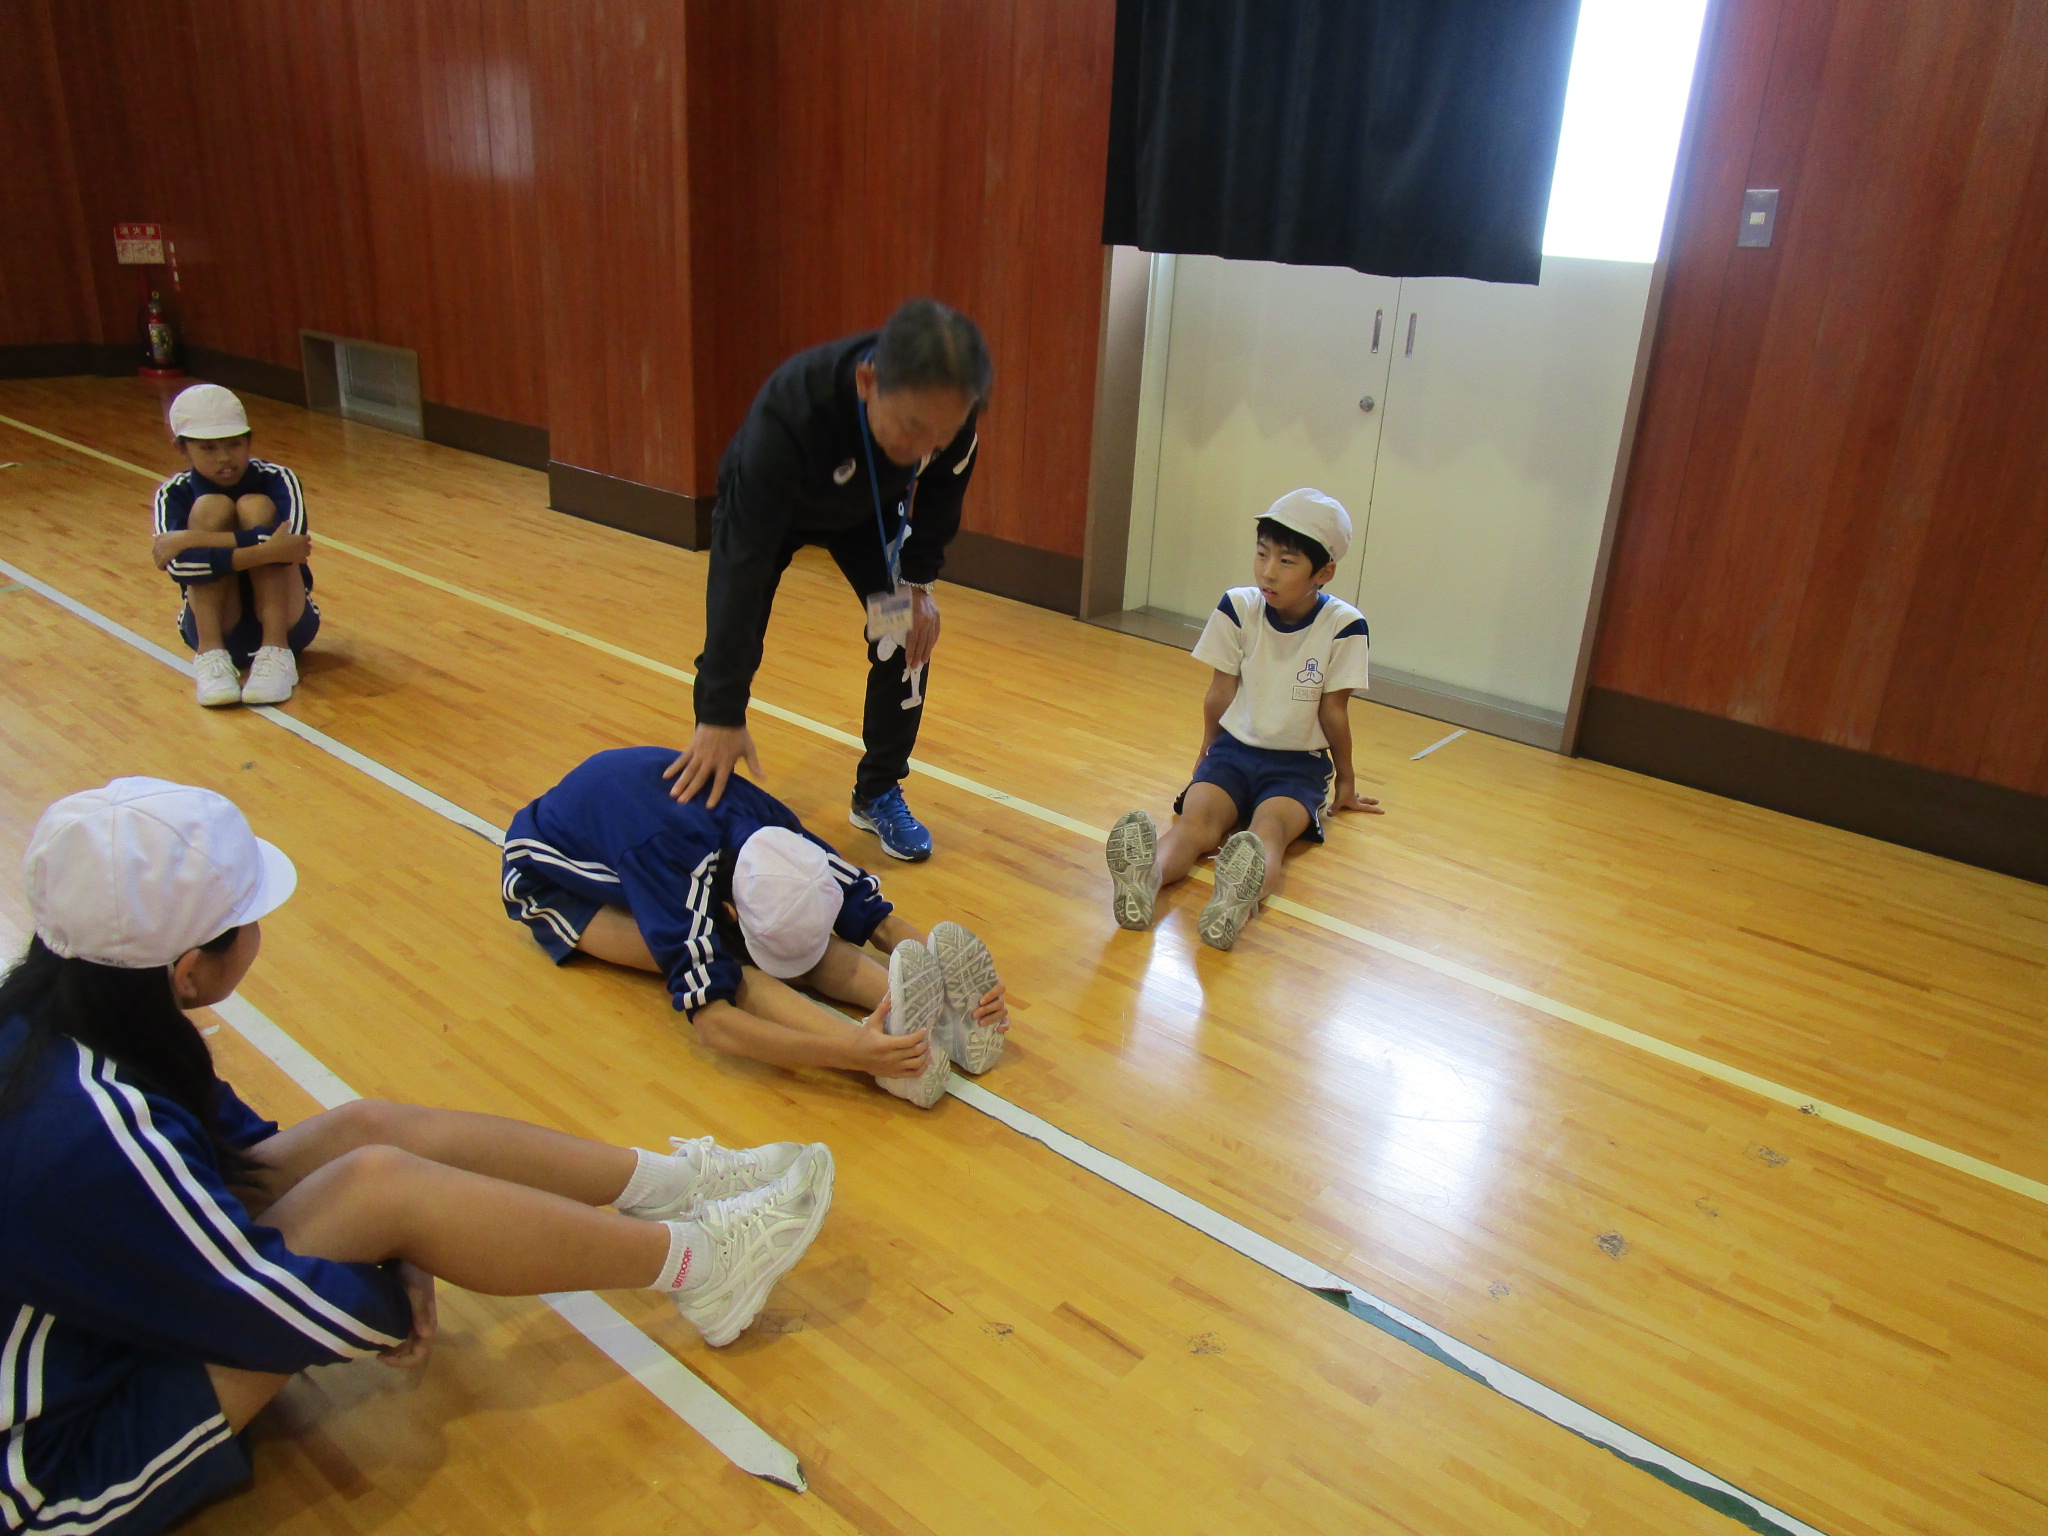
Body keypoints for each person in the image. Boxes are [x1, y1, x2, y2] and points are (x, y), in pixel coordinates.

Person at [1, 778, 833, 1535]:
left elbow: (233, 1159)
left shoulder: (68, 1017)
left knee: (367, 1134)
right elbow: (266, 1307)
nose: (258, 930)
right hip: (54, 1466)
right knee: (382, 1190)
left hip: (105, 1339)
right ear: (188, 971)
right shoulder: (91, 1124)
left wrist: (393, 1241)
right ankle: (702, 1266)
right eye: (249, 918)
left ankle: (674, 1186)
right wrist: (395, 1267)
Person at [666, 298, 993, 864]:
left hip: (866, 520)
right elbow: (740, 571)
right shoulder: (791, 415)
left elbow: (942, 491)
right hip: (773, 516)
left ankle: (877, 792)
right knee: (737, 636)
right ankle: (714, 776)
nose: (925, 450)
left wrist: (918, 583)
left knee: (903, 635)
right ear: (868, 382)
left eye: (939, 439)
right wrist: (722, 709)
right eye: (914, 429)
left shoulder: (948, 422)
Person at [505, 746, 1009, 1110]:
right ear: (729, 907)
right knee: (735, 967)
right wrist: (852, 1053)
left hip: (654, 824)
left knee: (802, 945)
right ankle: (885, 1058)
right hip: (549, 881)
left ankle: (940, 1021)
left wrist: (955, 988)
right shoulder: (670, 876)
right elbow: (714, 1022)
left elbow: (880, 920)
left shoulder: (782, 834)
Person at [1105, 489, 1383, 951]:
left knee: (1265, 835)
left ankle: (1233, 899)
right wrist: (1205, 753)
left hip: (1298, 767)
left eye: (1286, 561)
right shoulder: (1238, 607)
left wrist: (1347, 782)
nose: (1268, 571)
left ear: (1324, 572)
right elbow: (1220, 691)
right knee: (1194, 825)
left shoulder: (1344, 625)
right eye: (1261, 554)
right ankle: (1144, 880)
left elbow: (1334, 711)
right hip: (1232, 752)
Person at [147, 384, 320, 708]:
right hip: (216, 625)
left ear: (249, 440)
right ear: (182, 447)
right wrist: (263, 550)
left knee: (256, 506)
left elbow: (293, 544)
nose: (224, 457)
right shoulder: (173, 493)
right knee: (209, 508)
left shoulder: (278, 478)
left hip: (290, 622)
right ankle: (211, 656)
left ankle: (276, 653)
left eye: (234, 444)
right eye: (208, 448)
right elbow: (180, 566)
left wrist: (191, 538)